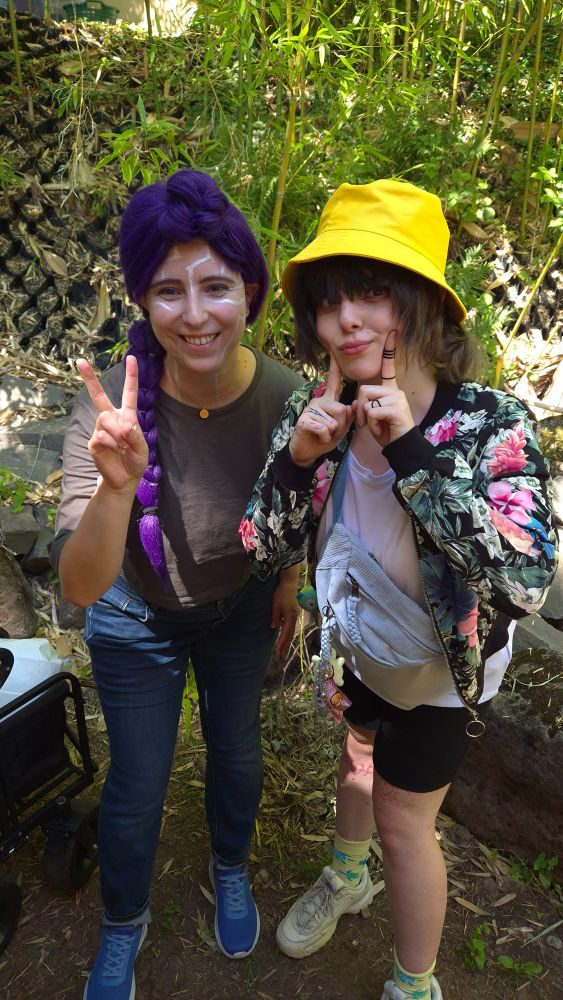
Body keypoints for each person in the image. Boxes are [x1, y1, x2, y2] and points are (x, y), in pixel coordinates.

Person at [239, 179, 558, 1000]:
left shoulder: (489, 423)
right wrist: (296, 462)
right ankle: (347, 878)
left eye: (372, 292)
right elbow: (258, 546)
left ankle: (413, 983)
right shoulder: (319, 412)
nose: (344, 319)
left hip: (439, 678)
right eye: (329, 298)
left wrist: (414, 456)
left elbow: (523, 579)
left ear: (421, 306)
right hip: (356, 646)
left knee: (403, 821)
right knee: (353, 758)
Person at [50, 169, 302, 1000]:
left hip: (234, 611)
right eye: (167, 291)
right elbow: (81, 589)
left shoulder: (282, 396)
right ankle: (124, 919)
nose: (194, 315)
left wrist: (289, 583)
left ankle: (230, 864)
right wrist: (118, 487)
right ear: (142, 300)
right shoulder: (112, 412)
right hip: (131, 616)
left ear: (251, 292)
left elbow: (300, 502)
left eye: (215, 286)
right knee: (137, 785)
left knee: (236, 754)